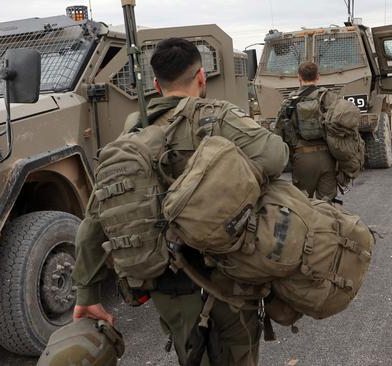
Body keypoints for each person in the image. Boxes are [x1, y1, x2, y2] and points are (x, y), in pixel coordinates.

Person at [71, 38, 288, 366]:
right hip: (230, 273)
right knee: (239, 352)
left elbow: (96, 219)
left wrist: (86, 294)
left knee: (191, 352)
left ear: (156, 85)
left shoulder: (131, 140)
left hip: (169, 282)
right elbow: (276, 157)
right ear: (201, 77)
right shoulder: (219, 118)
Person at [274, 61, 338, 200]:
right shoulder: (329, 98)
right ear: (318, 76)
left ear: (299, 77)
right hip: (327, 157)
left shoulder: (288, 102)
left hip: (302, 158)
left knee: (303, 204)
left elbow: (278, 133)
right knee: (329, 205)